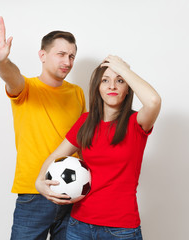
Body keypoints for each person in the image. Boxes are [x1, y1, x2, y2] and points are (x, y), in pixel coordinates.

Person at [0, 12, 86, 239]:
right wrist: (0, 60)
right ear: (42, 55)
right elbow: (12, 77)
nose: (67, 61)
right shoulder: (26, 88)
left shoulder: (77, 93)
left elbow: (81, 140)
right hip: (34, 192)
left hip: (73, 193)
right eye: (61, 54)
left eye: (71, 56)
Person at [36, 55, 161, 240]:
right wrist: (39, 181)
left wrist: (124, 68)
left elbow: (153, 101)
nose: (112, 86)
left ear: (128, 89)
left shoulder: (137, 123)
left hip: (120, 230)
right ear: (98, 88)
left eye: (120, 81)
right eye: (105, 80)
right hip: (79, 225)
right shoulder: (85, 122)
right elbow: (56, 156)